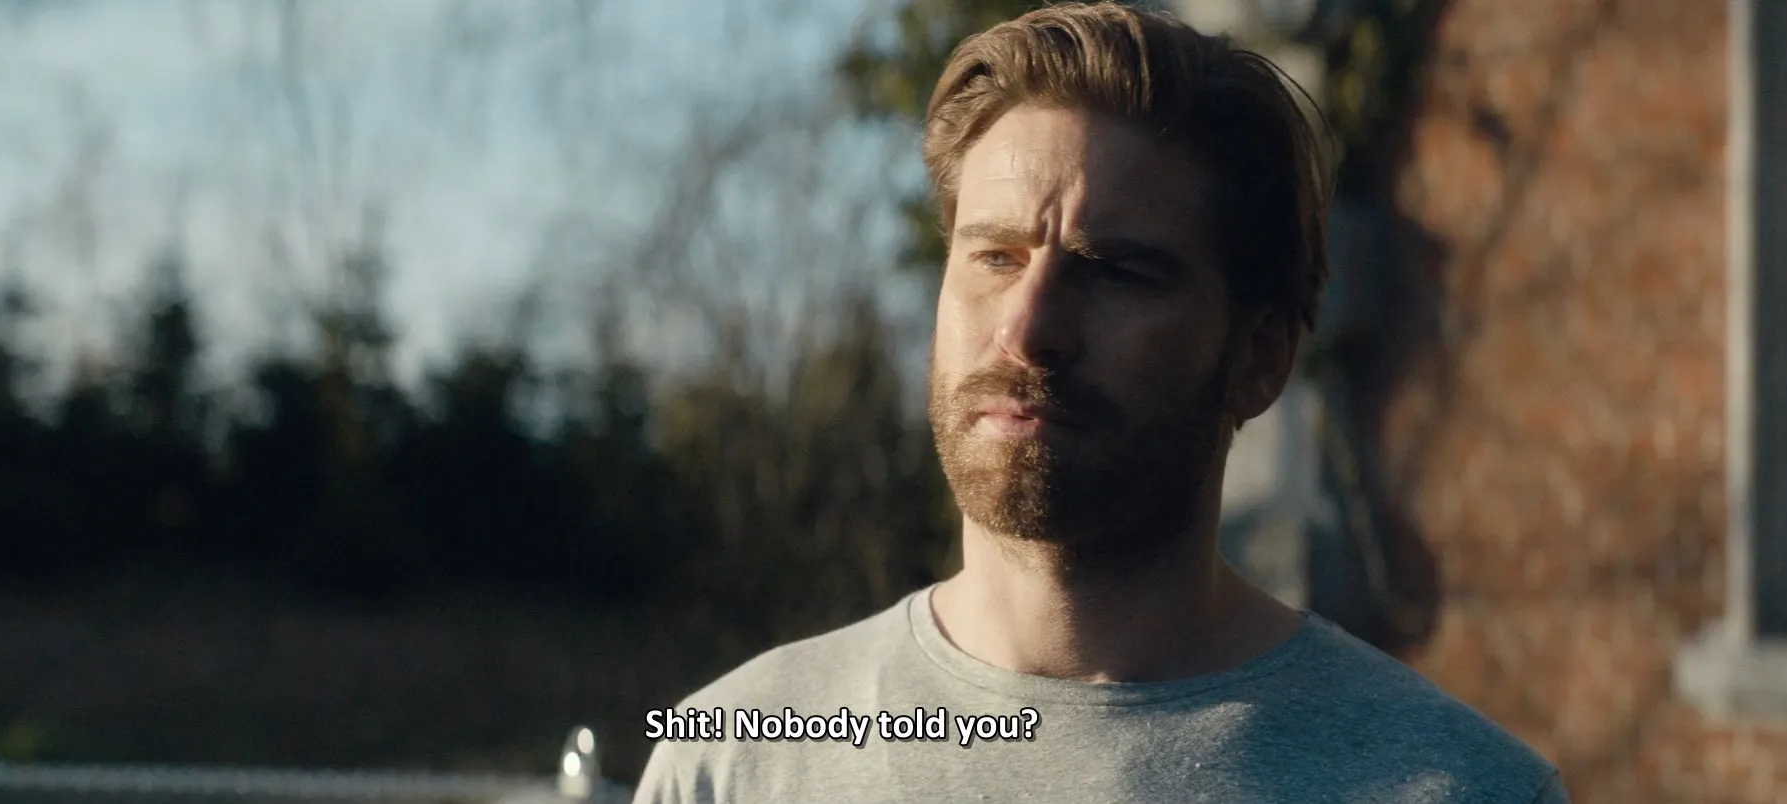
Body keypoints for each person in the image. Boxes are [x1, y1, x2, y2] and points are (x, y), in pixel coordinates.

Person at [632, 3, 1567, 802]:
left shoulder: (1456, 786)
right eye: (994, 257)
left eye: (1116, 271)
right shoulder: (735, 762)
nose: (1029, 327)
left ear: (1261, 358)